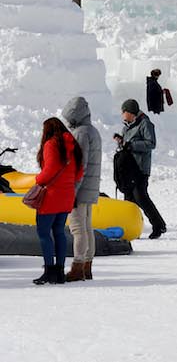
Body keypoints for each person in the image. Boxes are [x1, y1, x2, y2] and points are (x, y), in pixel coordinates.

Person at [32, 118, 83, 285]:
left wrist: (38, 179)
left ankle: (49, 271)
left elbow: (50, 169)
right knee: (59, 232)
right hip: (67, 196)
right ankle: (59, 272)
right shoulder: (73, 145)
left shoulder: (51, 144)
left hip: (51, 197)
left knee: (44, 233)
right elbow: (79, 173)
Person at [62, 97, 101, 282]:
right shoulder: (93, 131)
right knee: (87, 227)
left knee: (77, 228)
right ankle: (87, 266)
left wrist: (73, 191)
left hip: (81, 188)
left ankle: (78, 267)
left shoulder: (81, 133)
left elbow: (80, 165)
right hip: (91, 187)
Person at [115, 99, 167, 238]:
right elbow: (127, 145)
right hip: (129, 168)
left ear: (130, 112)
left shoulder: (145, 123)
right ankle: (131, 228)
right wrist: (122, 142)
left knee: (141, 197)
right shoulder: (126, 126)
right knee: (129, 198)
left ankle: (158, 225)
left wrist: (131, 145)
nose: (122, 114)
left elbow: (151, 143)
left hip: (140, 168)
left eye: (123, 111)